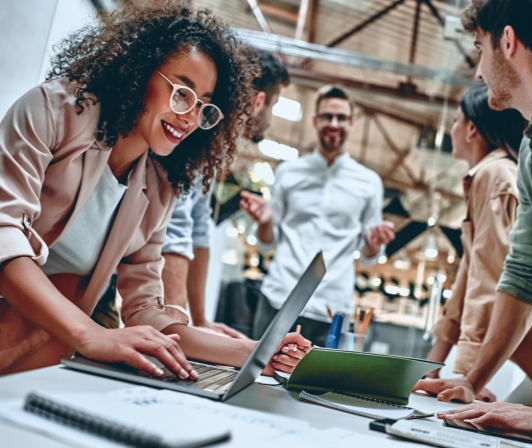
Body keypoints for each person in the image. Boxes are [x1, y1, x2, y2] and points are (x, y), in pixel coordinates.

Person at [0, 1, 309, 378]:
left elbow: (147, 310)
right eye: (182, 93)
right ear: (139, 71)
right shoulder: (53, 111)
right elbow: (5, 236)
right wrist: (93, 335)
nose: (190, 117)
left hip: (40, 353)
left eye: (204, 107)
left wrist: (256, 352)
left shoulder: (159, 186)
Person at [414, 0, 532, 445]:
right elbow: (523, 273)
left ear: (508, 41)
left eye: (481, 48)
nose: (480, 73)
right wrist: (471, 378)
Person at [421, 84, 532, 403]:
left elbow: (490, 279)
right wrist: (431, 365)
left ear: (472, 128)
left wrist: (467, 377)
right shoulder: (488, 176)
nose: (452, 129)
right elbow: (467, 279)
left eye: (456, 120)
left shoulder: (495, 176)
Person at [240, 85, 395, 347]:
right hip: (279, 298)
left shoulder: (369, 182)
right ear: (315, 120)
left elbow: (369, 257)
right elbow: (268, 242)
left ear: (352, 122)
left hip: (332, 308)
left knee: (317, 386)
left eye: (341, 117)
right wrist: (266, 222)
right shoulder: (289, 172)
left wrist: (373, 242)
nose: (334, 124)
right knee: (258, 379)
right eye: (327, 116)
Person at [160, 49, 289, 338]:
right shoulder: (199, 133)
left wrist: (200, 320)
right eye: (274, 104)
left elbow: (199, 227)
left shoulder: (216, 146)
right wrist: (180, 330)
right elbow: (177, 228)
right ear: (258, 101)